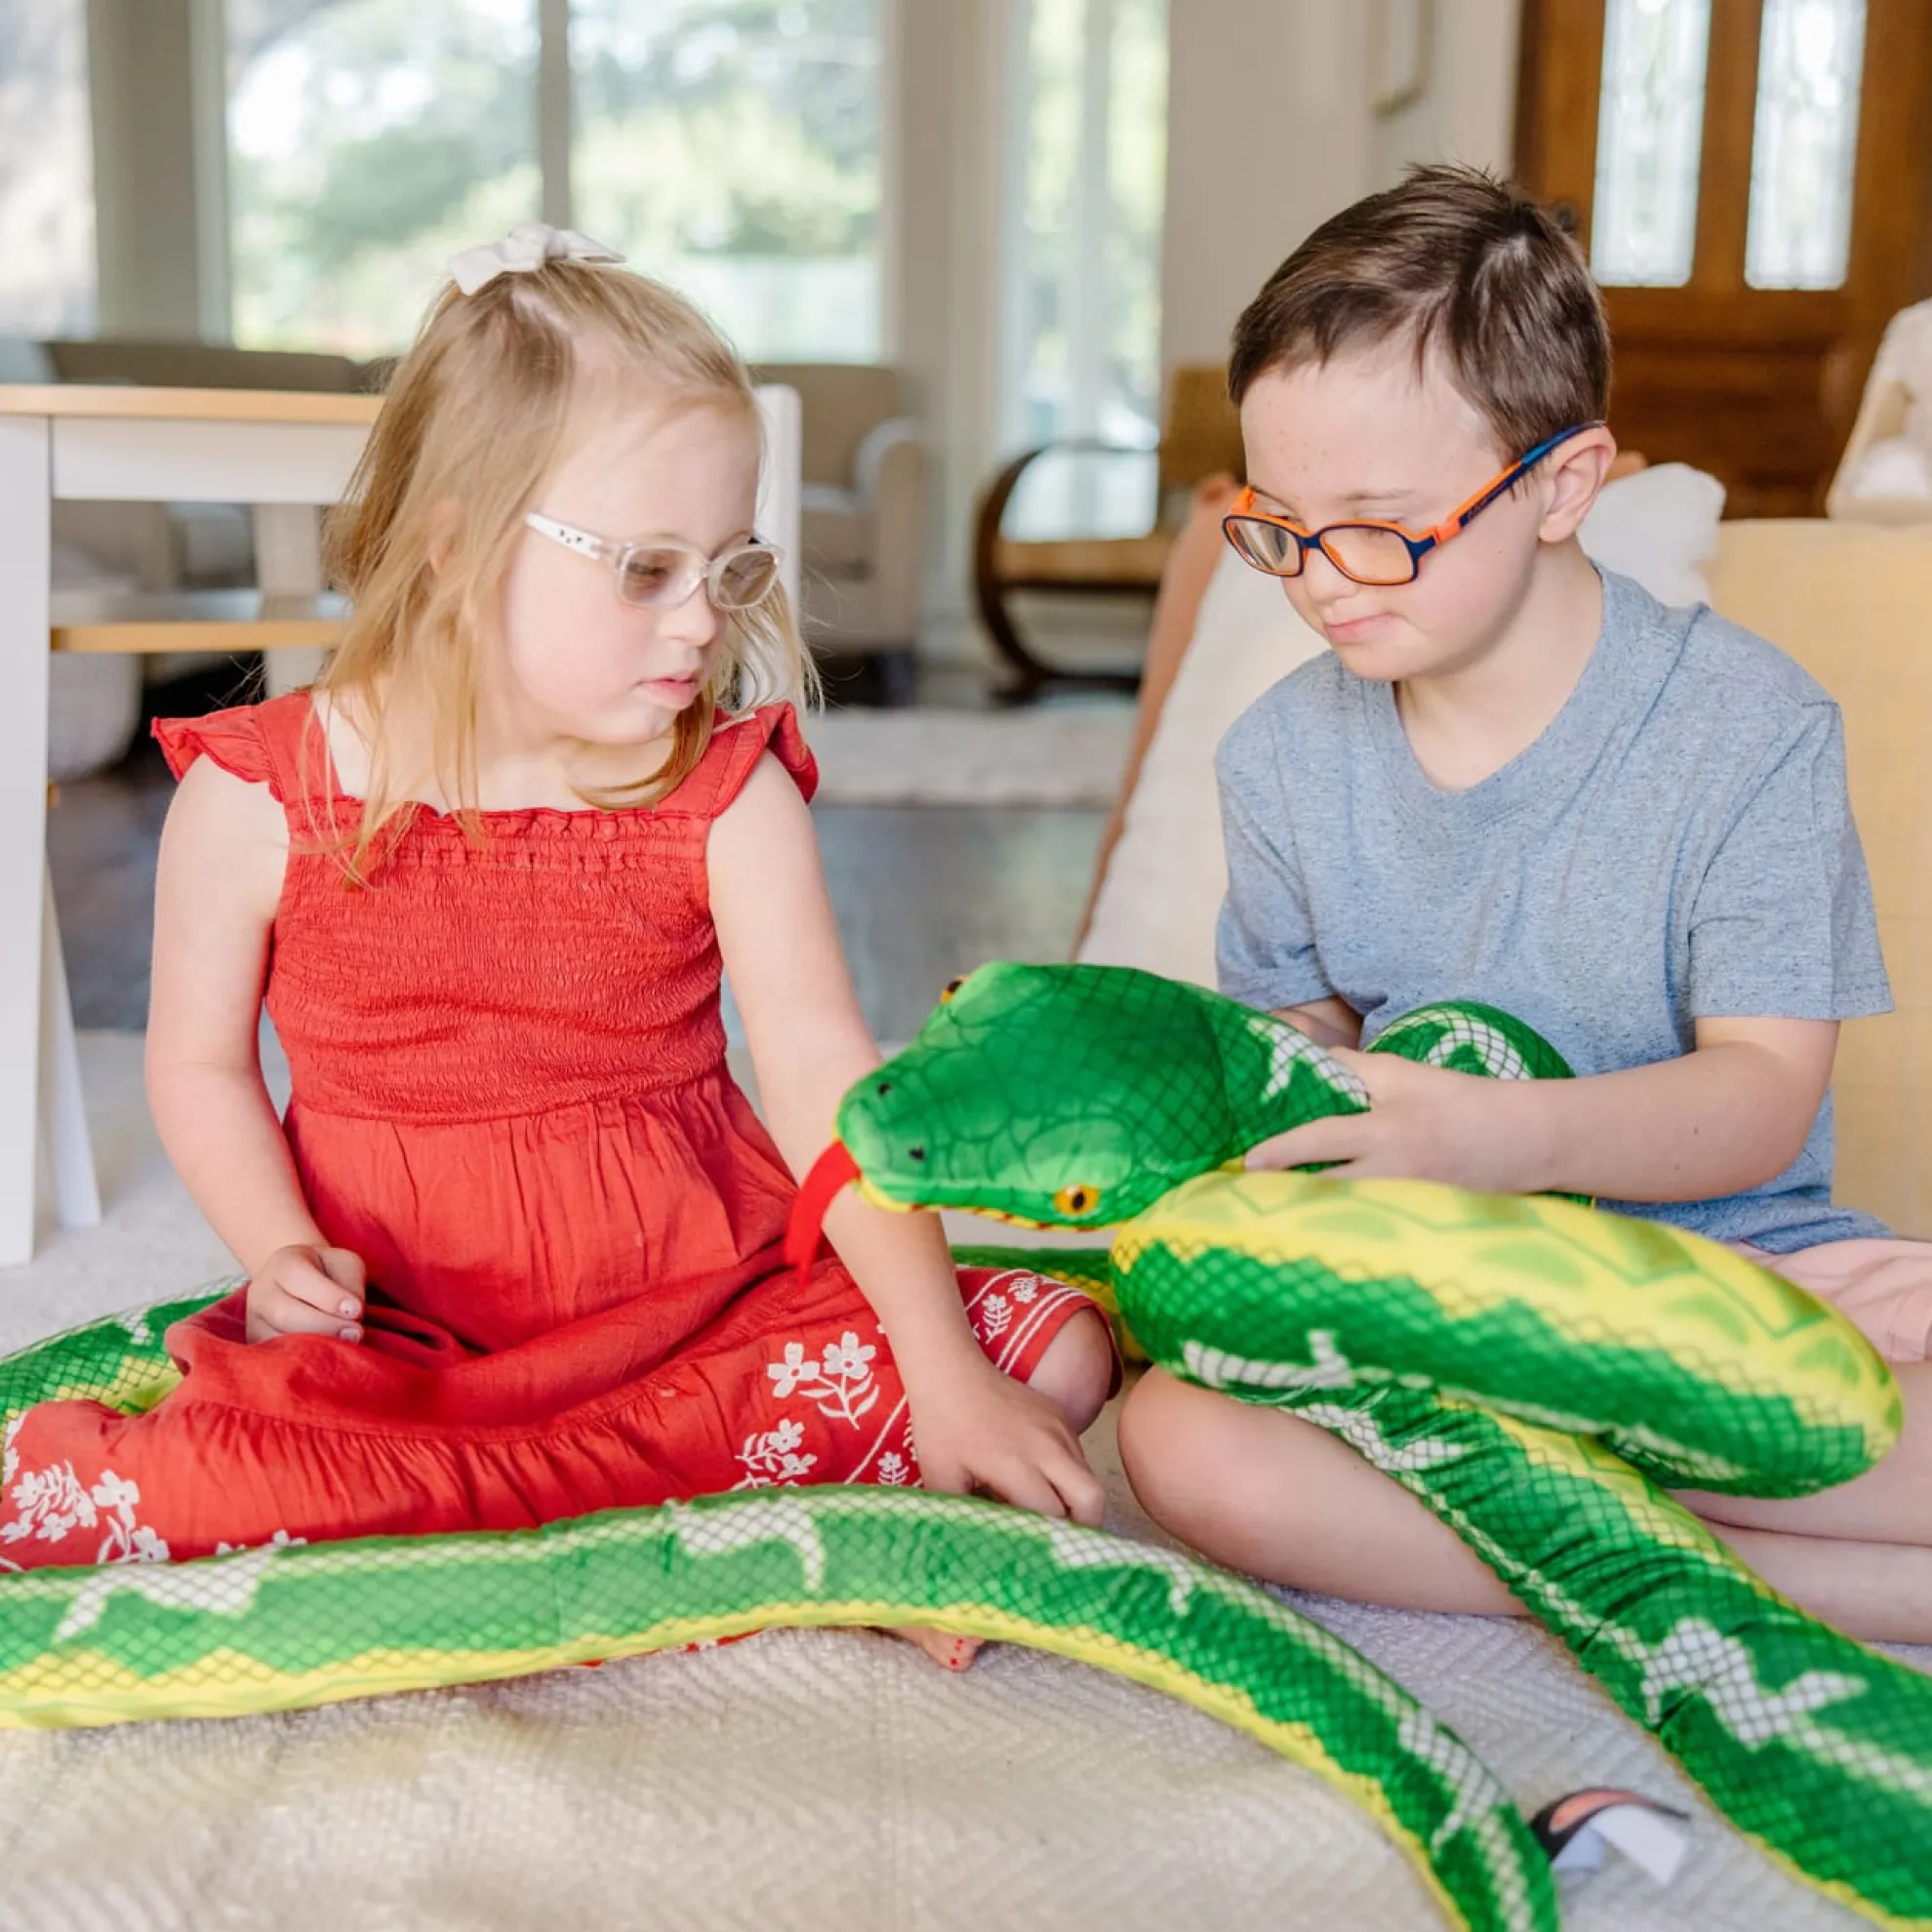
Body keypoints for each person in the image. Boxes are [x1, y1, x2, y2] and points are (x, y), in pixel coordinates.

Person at [0, 225, 1115, 1669]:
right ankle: (779, 1532)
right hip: (409, 1343)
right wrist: (275, 1250)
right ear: (457, 545)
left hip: (697, 1314)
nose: (702, 621)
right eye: (647, 569)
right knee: (153, 1484)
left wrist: (944, 1368)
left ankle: (600, 1534)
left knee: (1051, 1353)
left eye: (728, 565)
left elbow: (830, 1085)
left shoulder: (727, 791)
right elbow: (200, 1067)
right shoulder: (258, 794)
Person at [1115, 168, 1932, 1642]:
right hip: (1431, 1301)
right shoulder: (1282, 757)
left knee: (1869, 1399)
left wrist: (1496, 1136)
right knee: (1181, 1440)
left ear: (1562, 486)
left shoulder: (1750, 730)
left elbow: (1762, 1098)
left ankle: (1586, 1521)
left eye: (1379, 526)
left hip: (1737, 1279)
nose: (1323, 581)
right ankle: (1785, 1585)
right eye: (1280, 526)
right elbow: (1299, 1055)